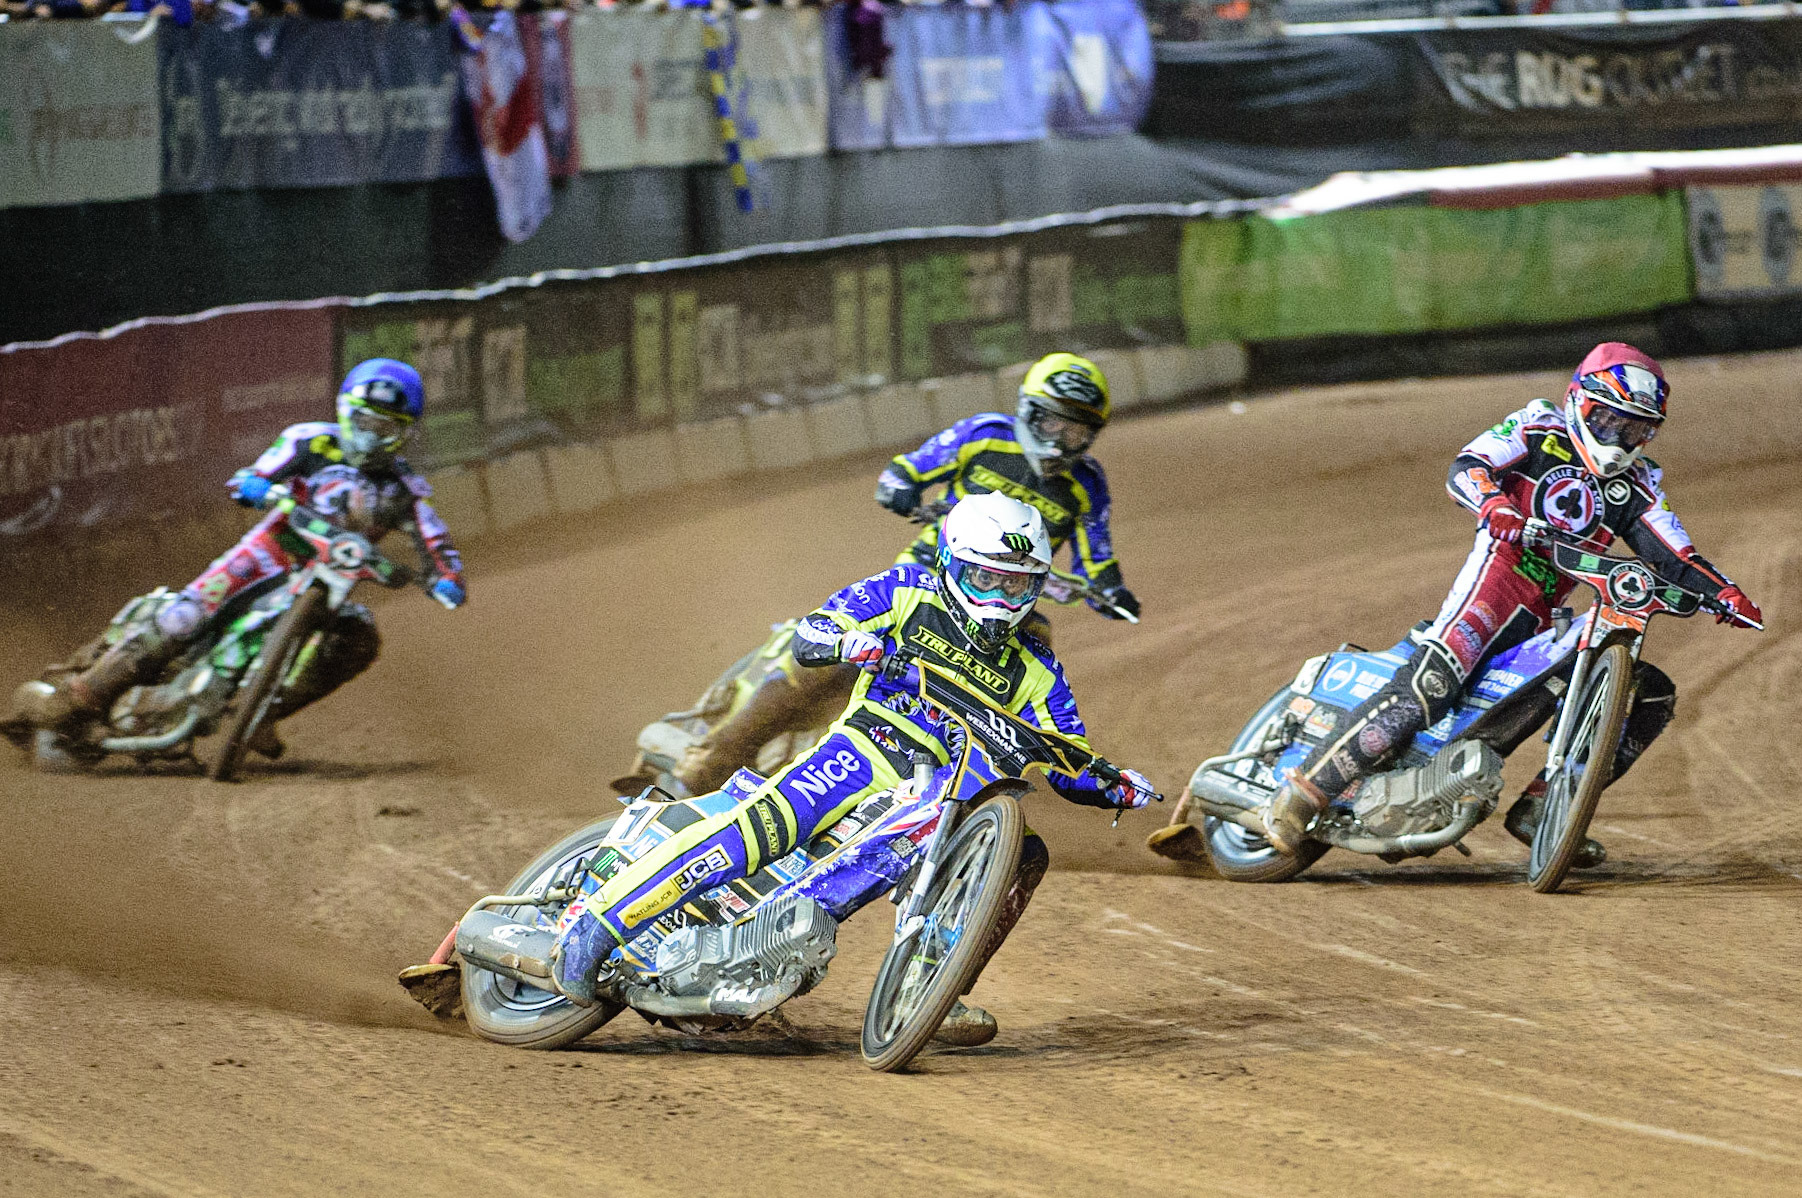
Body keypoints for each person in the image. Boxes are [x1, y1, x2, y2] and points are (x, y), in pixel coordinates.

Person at [554, 493, 1157, 1046]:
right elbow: (817, 628)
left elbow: (1070, 757)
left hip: (943, 799)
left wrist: (1116, 785)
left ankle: (936, 985)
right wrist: (848, 642)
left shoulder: (1039, 669)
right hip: (865, 750)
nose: (1000, 600)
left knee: (1025, 852)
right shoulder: (906, 590)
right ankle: (601, 921)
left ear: (1037, 588)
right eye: (985, 578)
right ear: (952, 560)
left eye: (1017, 584)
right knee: (766, 826)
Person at [1258, 343, 1762, 862]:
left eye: (1633, 429)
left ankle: (1543, 809)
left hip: (1548, 613)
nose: (1617, 439)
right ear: (1577, 401)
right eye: (1607, 420)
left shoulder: (1639, 485)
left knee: (1651, 693)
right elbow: (1468, 465)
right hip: (1496, 580)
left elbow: (1678, 554)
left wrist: (1724, 593)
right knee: (1434, 684)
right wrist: (1494, 502)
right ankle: (1302, 794)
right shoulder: (1538, 427)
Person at [664, 352, 1140, 796]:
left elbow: (1096, 559)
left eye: (1075, 430)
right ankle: (714, 758)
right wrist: (901, 491)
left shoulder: (1088, 485)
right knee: (834, 658)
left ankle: (975, 780)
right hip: (924, 578)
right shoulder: (984, 434)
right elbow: (908, 469)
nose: (1060, 438)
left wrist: (1111, 590)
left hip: (1006, 606)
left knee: (1035, 644)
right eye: (1052, 421)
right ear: (1028, 411)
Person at [11, 359, 466, 758]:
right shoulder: (308, 442)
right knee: (182, 619)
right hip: (268, 552)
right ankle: (79, 698)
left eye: (385, 429)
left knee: (358, 637)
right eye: (364, 421)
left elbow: (435, 539)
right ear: (346, 412)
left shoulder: (405, 489)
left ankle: (266, 714)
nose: (371, 437)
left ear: (404, 434)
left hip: (331, 582)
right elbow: (253, 475)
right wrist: (254, 485)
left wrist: (447, 578)